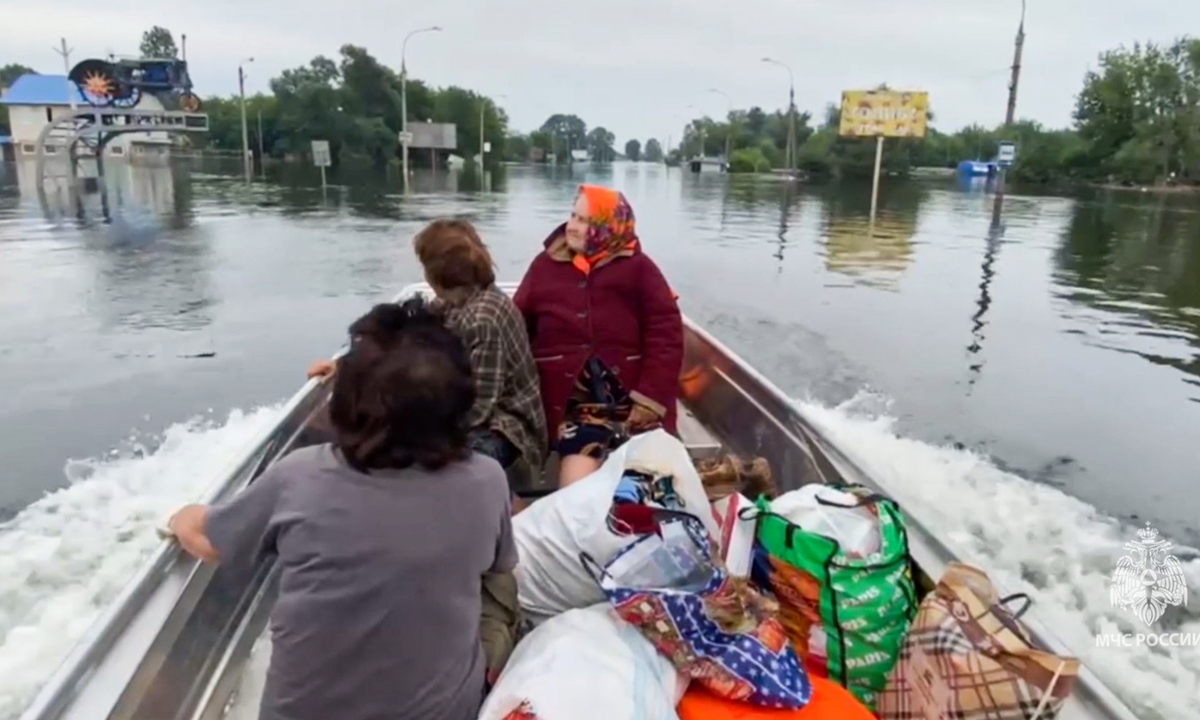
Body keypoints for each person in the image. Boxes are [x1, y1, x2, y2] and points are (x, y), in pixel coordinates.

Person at [167, 298, 516, 720]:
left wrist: (181, 516)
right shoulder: (488, 479)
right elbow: (498, 564)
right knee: (498, 593)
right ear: (462, 404)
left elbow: (209, 543)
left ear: (345, 403)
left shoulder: (298, 477)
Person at [308, 220, 547, 490]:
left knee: (431, 465)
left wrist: (410, 431)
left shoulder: (484, 320)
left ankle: (499, 508)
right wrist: (344, 366)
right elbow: (404, 341)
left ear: (434, 276)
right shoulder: (455, 301)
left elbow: (479, 407)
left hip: (507, 427)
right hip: (469, 411)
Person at [513, 184, 683, 487]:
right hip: (576, 409)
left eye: (583, 220)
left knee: (647, 485)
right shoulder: (544, 267)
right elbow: (516, 327)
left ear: (607, 227)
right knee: (575, 491)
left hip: (633, 405)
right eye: (572, 215)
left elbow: (666, 336)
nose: (571, 227)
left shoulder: (640, 269)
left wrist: (649, 401)